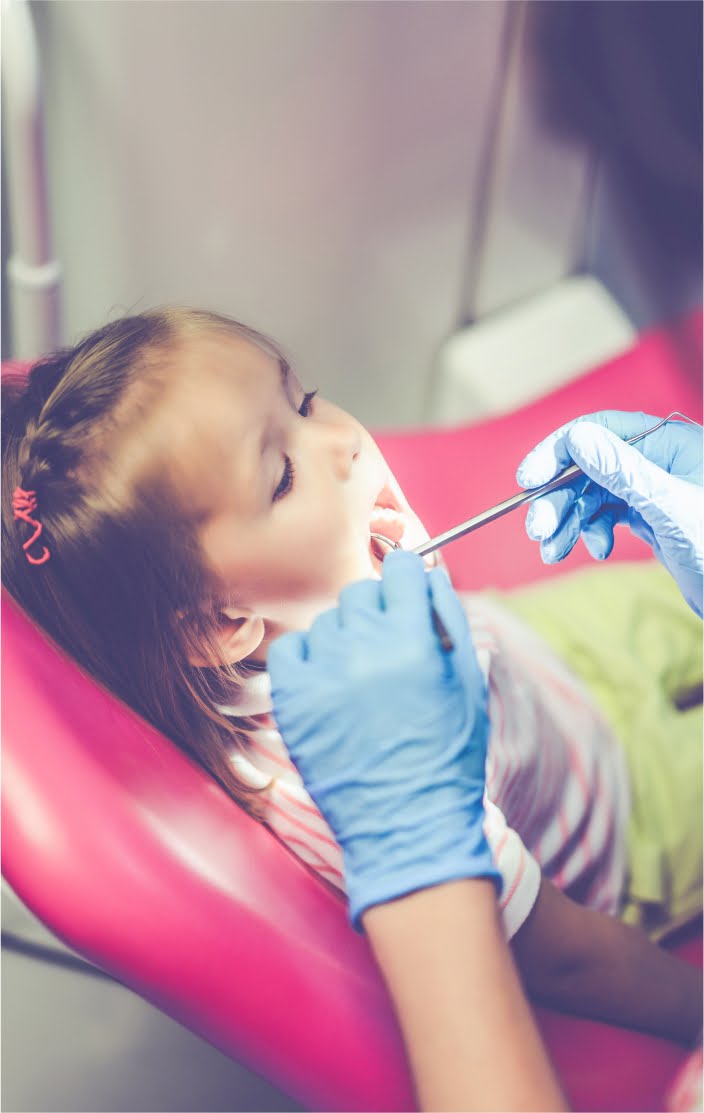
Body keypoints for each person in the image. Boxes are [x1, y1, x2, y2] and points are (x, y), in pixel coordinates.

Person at [2, 310, 701, 1050]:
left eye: (304, 402)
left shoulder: (340, 580)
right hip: (625, 819)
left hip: (549, 646)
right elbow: (564, 957)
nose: (343, 437)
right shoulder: (345, 784)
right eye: (283, 476)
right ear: (217, 624)